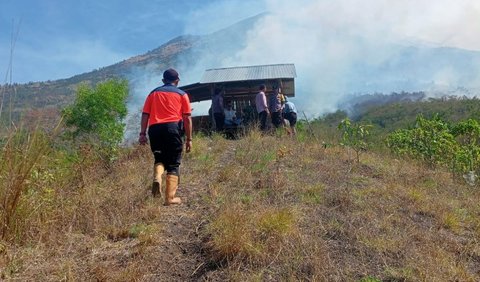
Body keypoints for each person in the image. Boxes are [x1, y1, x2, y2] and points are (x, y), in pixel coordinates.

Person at [139, 68, 192, 206]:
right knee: (173, 163)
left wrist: (142, 134)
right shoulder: (182, 94)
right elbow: (187, 118)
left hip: (155, 129)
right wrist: (189, 139)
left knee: (159, 158)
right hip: (172, 129)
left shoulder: (153, 93)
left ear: (163, 81)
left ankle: (157, 177)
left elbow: (145, 114)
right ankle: (170, 198)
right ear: (177, 81)